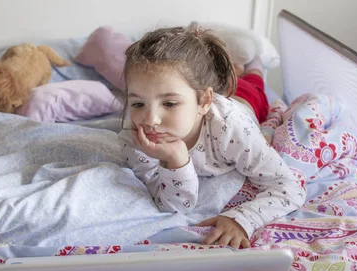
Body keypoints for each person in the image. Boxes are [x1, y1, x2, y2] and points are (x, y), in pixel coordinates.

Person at [118, 25, 306, 249]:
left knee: (253, 84)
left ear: (205, 102)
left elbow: (289, 187)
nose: (151, 120)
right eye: (138, 103)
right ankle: (234, 70)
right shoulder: (136, 138)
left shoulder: (230, 128)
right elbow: (175, 205)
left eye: (169, 103)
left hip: (246, 102)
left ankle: (250, 66)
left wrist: (241, 219)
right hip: (208, 95)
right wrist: (175, 161)